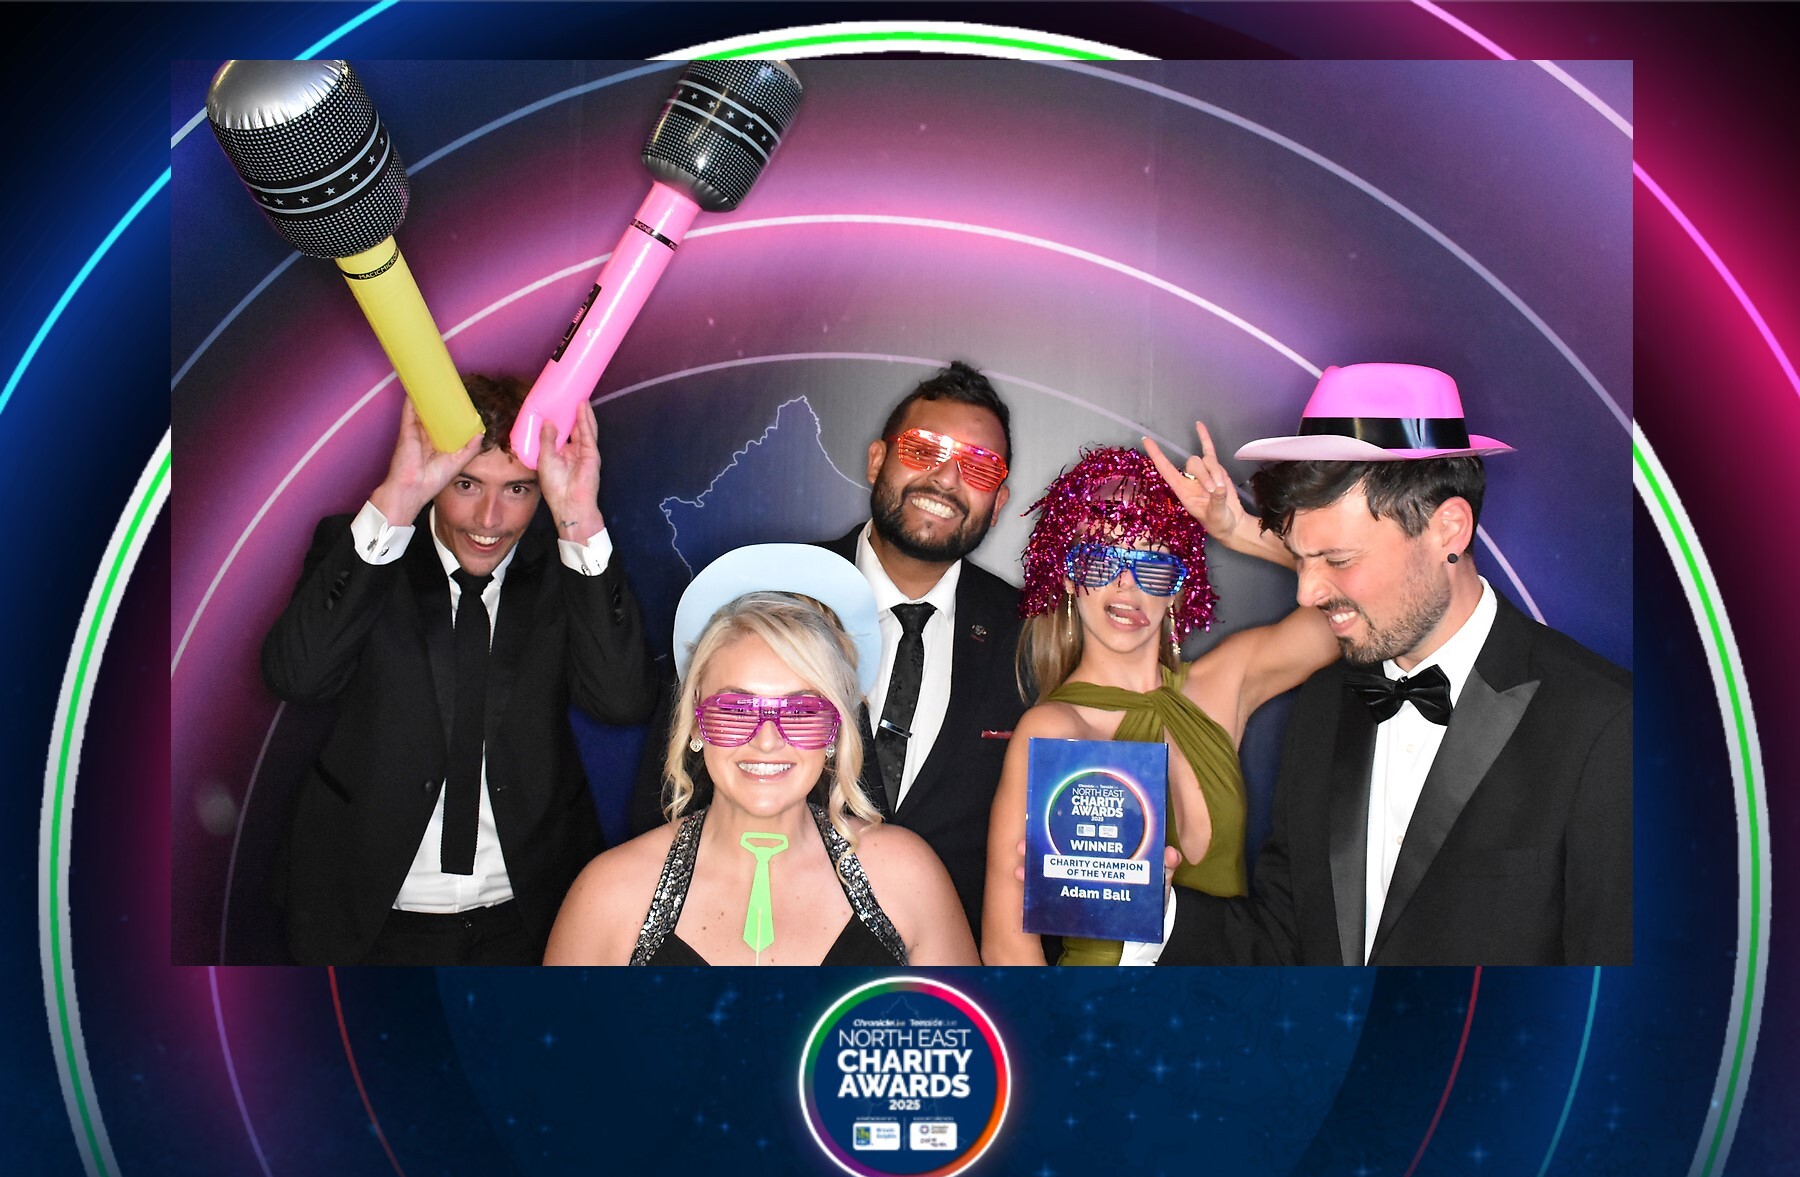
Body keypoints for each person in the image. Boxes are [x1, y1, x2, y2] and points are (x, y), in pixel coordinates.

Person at [1155, 362, 1633, 966]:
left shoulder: (1603, 726)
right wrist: (1152, 910)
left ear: (1448, 529)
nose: (1306, 592)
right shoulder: (1323, 704)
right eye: (1300, 559)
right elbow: (1287, 942)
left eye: (1338, 559)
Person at [261, 375, 655, 965]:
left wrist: (578, 516)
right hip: (365, 916)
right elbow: (297, 678)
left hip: (530, 915)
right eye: (467, 485)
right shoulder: (370, 551)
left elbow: (623, 701)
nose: (489, 518)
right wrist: (398, 498)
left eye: (517, 489)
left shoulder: (567, 571)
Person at [628, 360, 1026, 941]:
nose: (945, 478)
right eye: (923, 450)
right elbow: (668, 792)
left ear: (1000, 498)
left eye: (979, 466)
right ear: (876, 461)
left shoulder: (1033, 634)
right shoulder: (764, 598)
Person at [981, 438, 1337, 966]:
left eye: (1152, 564)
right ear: (1069, 575)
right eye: (1101, 560)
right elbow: (1008, 950)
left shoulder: (1222, 684)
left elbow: (1349, 605)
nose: (1127, 586)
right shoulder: (1053, 729)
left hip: (1230, 1002)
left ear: (1178, 585)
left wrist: (1239, 530)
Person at [546, 544, 979, 966]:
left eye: (801, 711)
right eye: (736, 710)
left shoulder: (908, 879)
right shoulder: (608, 896)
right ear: (695, 722)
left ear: (835, 729)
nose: (767, 740)